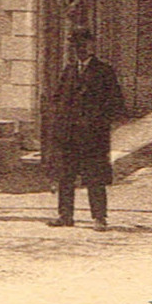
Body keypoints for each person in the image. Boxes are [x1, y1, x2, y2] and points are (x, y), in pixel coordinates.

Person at [44, 27, 126, 230]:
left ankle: (99, 217)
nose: (78, 50)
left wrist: (97, 123)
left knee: (94, 176)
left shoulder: (104, 71)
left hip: (93, 136)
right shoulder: (69, 71)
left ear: (91, 46)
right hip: (69, 135)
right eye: (74, 46)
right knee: (65, 176)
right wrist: (59, 122)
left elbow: (116, 104)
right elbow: (57, 99)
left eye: (82, 45)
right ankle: (65, 215)